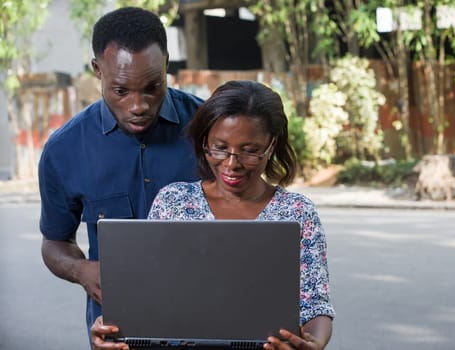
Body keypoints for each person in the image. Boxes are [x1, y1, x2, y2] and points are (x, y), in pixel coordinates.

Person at [90, 80, 336, 350]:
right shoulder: (174, 202)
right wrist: (113, 328)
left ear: (271, 144)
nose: (232, 163)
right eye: (219, 147)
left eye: (250, 151)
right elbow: (150, 297)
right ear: (204, 140)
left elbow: (316, 305)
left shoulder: (297, 212)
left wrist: (314, 342)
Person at [38, 6, 203, 341]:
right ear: (98, 70)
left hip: (206, 324)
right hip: (118, 335)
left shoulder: (209, 129)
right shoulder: (63, 150)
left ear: (167, 64)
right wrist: (82, 270)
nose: (138, 105)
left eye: (152, 87)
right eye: (121, 91)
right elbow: (55, 243)